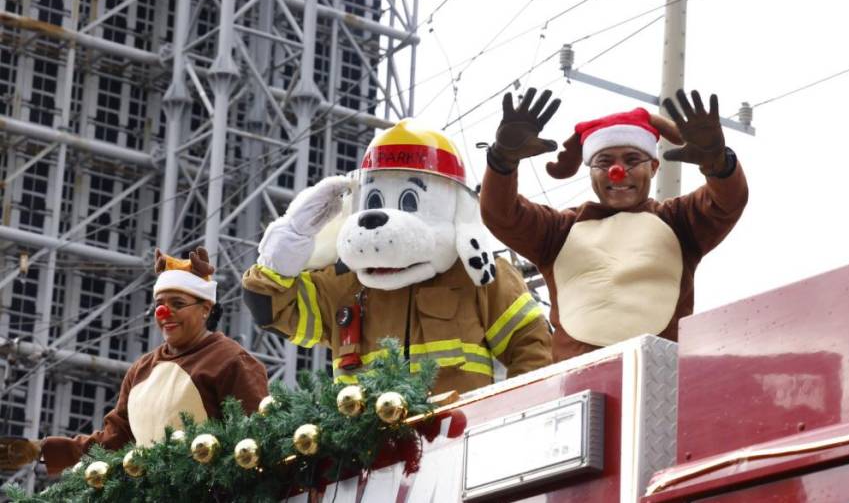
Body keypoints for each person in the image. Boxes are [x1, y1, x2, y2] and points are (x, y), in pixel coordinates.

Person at [242, 121, 552, 395]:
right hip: (364, 452)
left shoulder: (480, 277)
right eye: (375, 198)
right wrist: (292, 235)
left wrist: (510, 415)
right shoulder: (340, 285)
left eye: (409, 200)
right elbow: (271, 307)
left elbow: (532, 348)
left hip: (454, 443)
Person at [480, 88, 748, 361]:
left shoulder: (679, 222)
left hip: (660, 373)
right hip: (576, 387)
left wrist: (718, 163)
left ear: (654, 167)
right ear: (591, 171)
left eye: (632, 160)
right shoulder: (558, 232)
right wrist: (502, 161)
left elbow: (727, 201)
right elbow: (501, 214)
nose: (617, 172)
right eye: (604, 162)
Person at [27, 247, 268, 475]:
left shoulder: (230, 360)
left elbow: (256, 439)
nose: (165, 312)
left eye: (178, 303)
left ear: (206, 308)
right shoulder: (141, 369)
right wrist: (40, 451)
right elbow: (114, 439)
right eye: (159, 304)